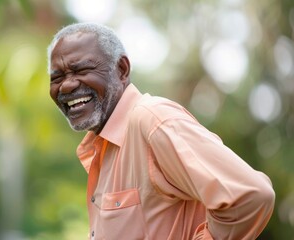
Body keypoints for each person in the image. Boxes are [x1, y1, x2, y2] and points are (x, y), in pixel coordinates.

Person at [47, 22, 275, 240]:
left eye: (83, 69)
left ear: (122, 70)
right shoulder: (104, 146)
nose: (66, 85)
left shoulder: (153, 121)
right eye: (57, 77)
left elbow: (251, 195)